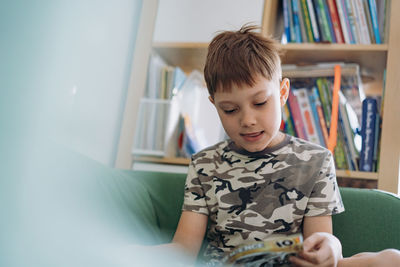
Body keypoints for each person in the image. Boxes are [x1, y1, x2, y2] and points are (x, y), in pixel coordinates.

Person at [166, 25, 345, 266]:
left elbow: (318, 245)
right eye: (230, 109)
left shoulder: (315, 161)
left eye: (260, 103)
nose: (247, 120)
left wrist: (331, 247)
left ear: (282, 93)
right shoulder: (204, 165)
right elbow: (183, 250)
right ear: (215, 104)